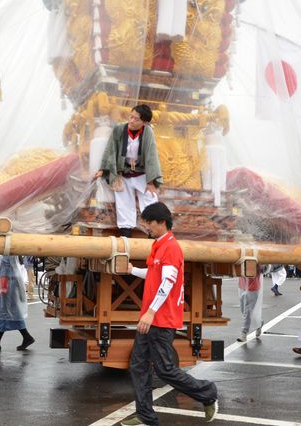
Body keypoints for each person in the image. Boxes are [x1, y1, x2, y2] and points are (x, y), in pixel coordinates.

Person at [121, 202, 217, 426]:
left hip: (161, 319)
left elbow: (168, 282)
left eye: (149, 223)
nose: (147, 227)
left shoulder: (171, 248)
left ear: (162, 222)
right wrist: (133, 271)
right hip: (151, 318)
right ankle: (145, 415)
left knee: (164, 369)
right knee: (138, 365)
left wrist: (151, 312)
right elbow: (154, 274)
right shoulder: (159, 245)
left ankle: (207, 392)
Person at [95, 104, 162, 238]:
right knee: (124, 205)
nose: (131, 121)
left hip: (142, 173)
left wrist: (151, 181)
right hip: (124, 172)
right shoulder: (119, 129)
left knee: (150, 201)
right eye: (131, 116)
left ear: (144, 122)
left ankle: (153, 235)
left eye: (136, 119)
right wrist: (103, 169)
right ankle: (126, 236)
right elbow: (110, 149)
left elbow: (151, 155)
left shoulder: (148, 132)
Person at [0, 255, 35, 352]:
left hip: (5, 284)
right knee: (9, 313)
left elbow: (0, 271)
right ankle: (25, 337)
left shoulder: (3, 255)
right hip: (8, 283)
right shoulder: (7, 255)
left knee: (1, 313)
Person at [236, 270, 264, 342]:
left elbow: (265, 268)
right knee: (243, 309)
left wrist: (261, 266)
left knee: (247, 311)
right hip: (242, 284)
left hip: (253, 285)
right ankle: (259, 322)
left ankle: (244, 333)